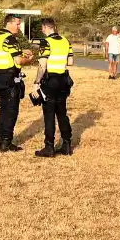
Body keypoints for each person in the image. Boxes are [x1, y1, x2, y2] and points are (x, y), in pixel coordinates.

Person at [0, 13, 34, 152]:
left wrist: (21, 50)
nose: (19, 27)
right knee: (11, 111)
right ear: (9, 23)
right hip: (10, 78)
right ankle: (6, 142)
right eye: (17, 24)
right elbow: (18, 61)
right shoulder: (10, 39)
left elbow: (6, 52)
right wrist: (30, 59)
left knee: (3, 109)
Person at [33, 18, 74, 157]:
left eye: (42, 28)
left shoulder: (46, 42)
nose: (42, 31)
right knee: (62, 113)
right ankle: (67, 144)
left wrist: (36, 82)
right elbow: (70, 61)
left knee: (49, 114)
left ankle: (49, 147)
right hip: (63, 81)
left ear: (46, 27)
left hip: (50, 82)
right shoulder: (65, 41)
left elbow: (42, 66)